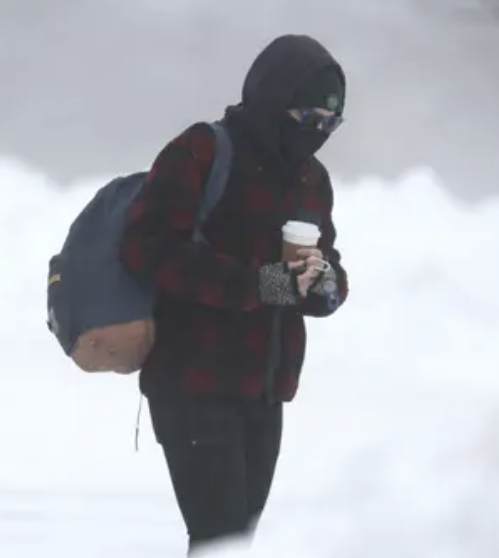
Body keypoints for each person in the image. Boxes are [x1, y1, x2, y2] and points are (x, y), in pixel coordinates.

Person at [119, 33, 350, 555]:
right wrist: (264, 283)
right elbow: (148, 248)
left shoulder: (312, 179)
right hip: (192, 383)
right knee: (218, 539)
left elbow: (328, 266)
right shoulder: (202, 152)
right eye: (307, 118)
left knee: (235, 544)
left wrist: (323, 283)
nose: (317, 133)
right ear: (272, 99)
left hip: (265, 391)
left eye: (330, 124)